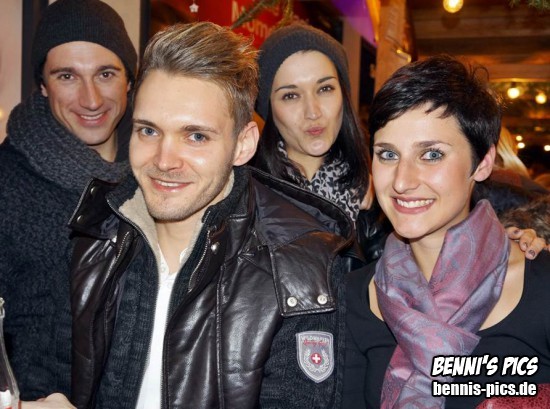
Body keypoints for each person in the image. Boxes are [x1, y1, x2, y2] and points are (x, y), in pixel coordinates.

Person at [45, 21, 355, 409]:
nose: (164, 160)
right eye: (148, 131)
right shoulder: (93, 232)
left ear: (243, 145)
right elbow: (48, 375)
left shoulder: (302, 265)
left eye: (196, 136)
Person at [344, 55, 550, 409]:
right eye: (388, 155)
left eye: (432, 155)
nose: (402, 181)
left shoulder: (542, 287)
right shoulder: (353, 295)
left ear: (482, 163)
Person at [0, 0, 137, 401]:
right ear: (43, 85)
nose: (91, 99)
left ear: (129, 80)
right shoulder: (7, 180)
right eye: (67, 76)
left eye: (106, 74)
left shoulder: (163, 169)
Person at [251, 23, 387, 262]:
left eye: (325, 89)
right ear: (269, 109)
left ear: (343, 95)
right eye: (291, 95)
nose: (312, 112)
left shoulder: (376, 198)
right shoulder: (245, 198)